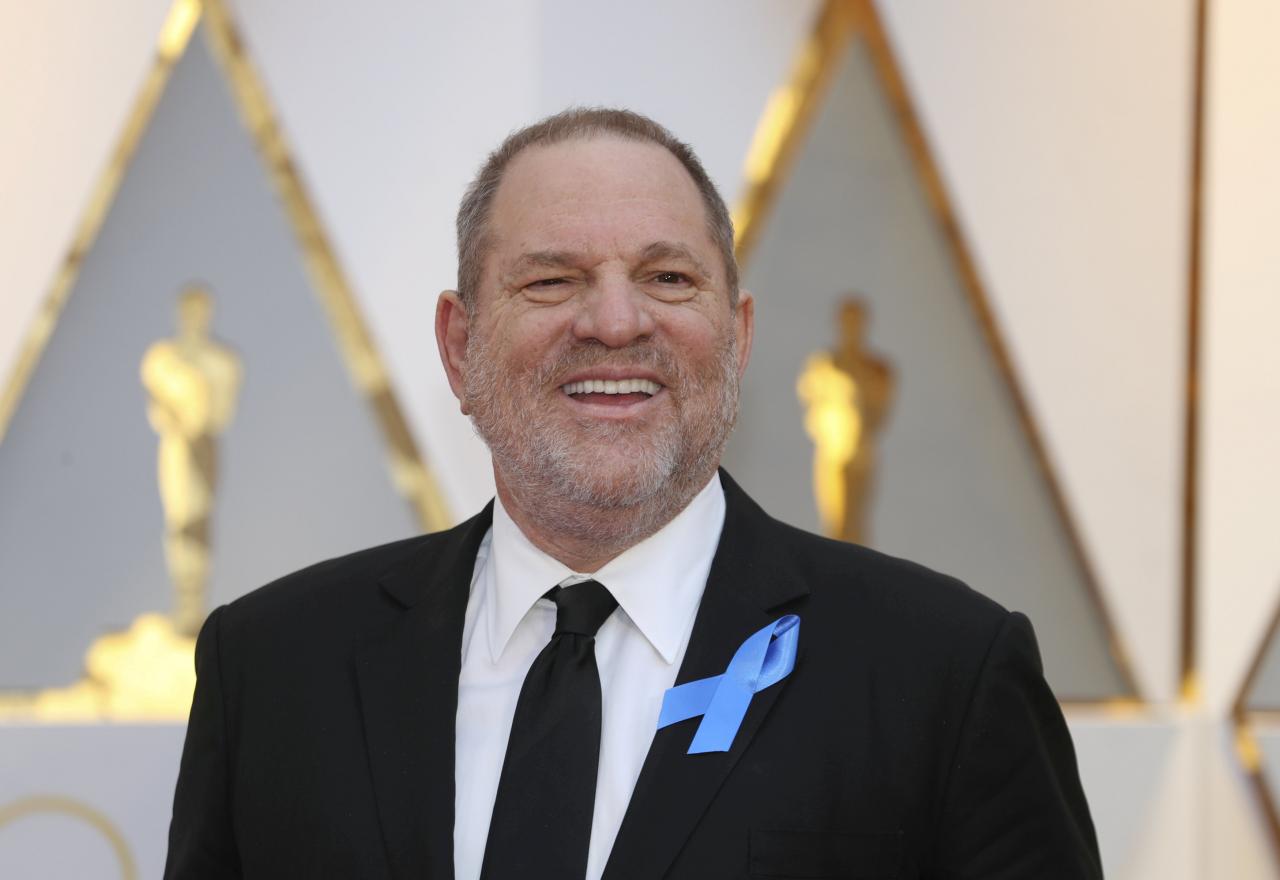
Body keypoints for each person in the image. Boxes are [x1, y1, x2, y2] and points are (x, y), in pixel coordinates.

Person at [164, 107, 1102, 879]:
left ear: (735, 338)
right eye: (551, 279)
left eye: (666, 276)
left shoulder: (943, 674)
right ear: (459, 346)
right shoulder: (275, 670)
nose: (615, 322)